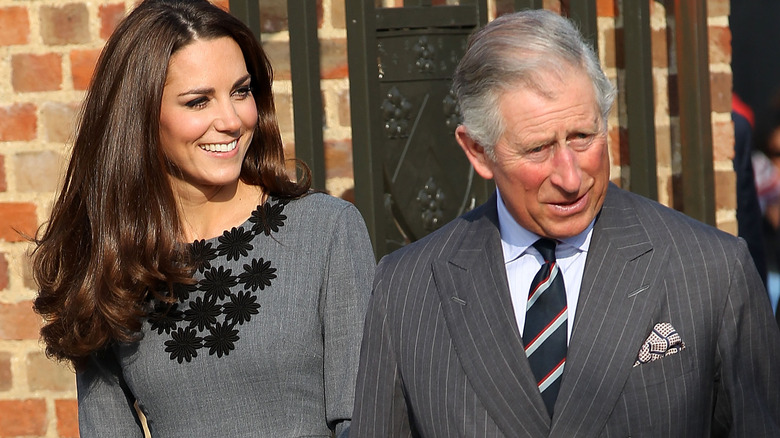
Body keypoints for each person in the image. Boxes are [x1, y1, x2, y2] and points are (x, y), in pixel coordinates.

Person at [352, 9, 780, 437]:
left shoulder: (710, 271)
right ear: (478, 151)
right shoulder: (406, 292)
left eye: (582, 137)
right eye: (538, 148)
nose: (570, 177)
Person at [30, 1, 374, 436]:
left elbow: (365, 420)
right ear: (140, 118)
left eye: (241, 91)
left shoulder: (328, 231)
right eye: (198, 102)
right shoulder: (112, 265)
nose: (231, 120)